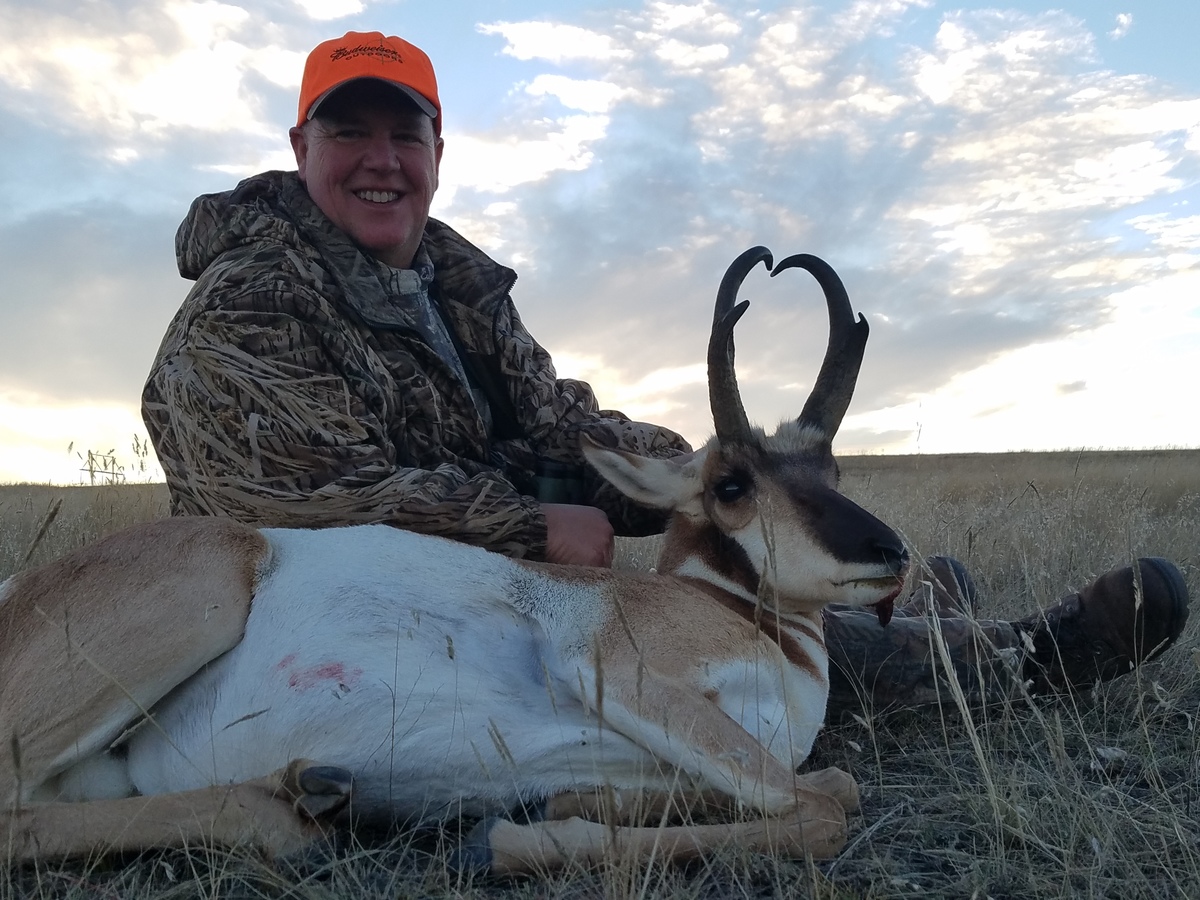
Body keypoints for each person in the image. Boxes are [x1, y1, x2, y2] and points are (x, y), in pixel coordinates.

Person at [142, 30, 1189, 718]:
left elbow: (563, 424)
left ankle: (917, 620)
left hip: (478, 589)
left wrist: (718, 473)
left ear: (438, 149)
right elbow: (293, 496)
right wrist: (525, 528)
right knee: (693, 642)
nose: (380, 159)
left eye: (401, 133)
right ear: (299, 144)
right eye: (348, 131)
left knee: (714, 545)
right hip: (332, 632)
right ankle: (998, 671)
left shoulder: (455, 288)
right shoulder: (247, 303)